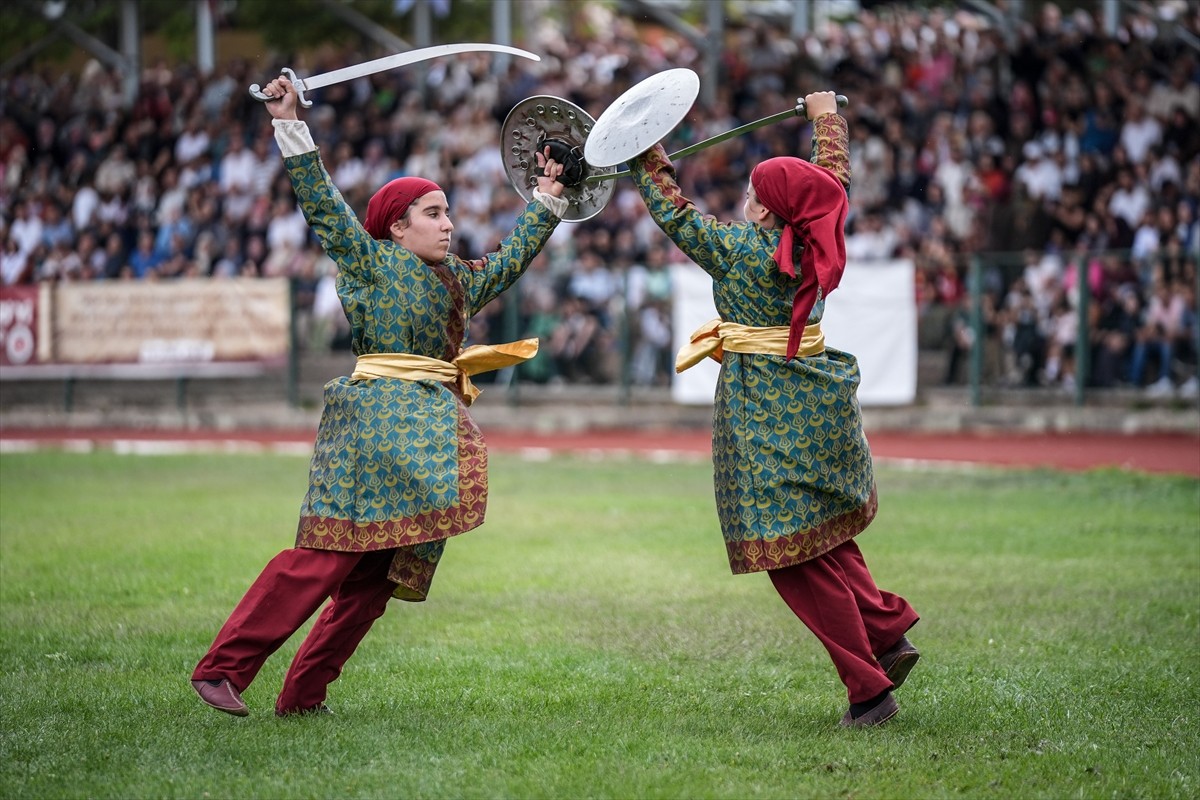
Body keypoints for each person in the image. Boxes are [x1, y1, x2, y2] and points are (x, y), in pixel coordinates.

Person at [191, 73, 570, 718]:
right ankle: (221, 668)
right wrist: (288, 120)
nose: (448, 225)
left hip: (425, 436)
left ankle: (303, 697)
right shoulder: (366, 259)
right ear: (397, 227)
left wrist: (547, 196)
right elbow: (319, 198)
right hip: (372, 426)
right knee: (325, 559)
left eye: (447, 212)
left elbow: (510, 261)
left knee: (371, 582)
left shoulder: (458, 281)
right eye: (433, 214)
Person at [628, 91, 920, 727]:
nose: (743, 199)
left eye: (753, 192)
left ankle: (869, 692)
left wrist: (641, 154)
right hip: (818, 404)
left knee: (791, 556)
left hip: (765, 415)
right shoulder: (816, 236)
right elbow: (831, 182)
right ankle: (887, 635)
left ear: (764, 207)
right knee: (822, 536)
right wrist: (826, 120)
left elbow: (673, 213)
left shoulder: (740, 252)